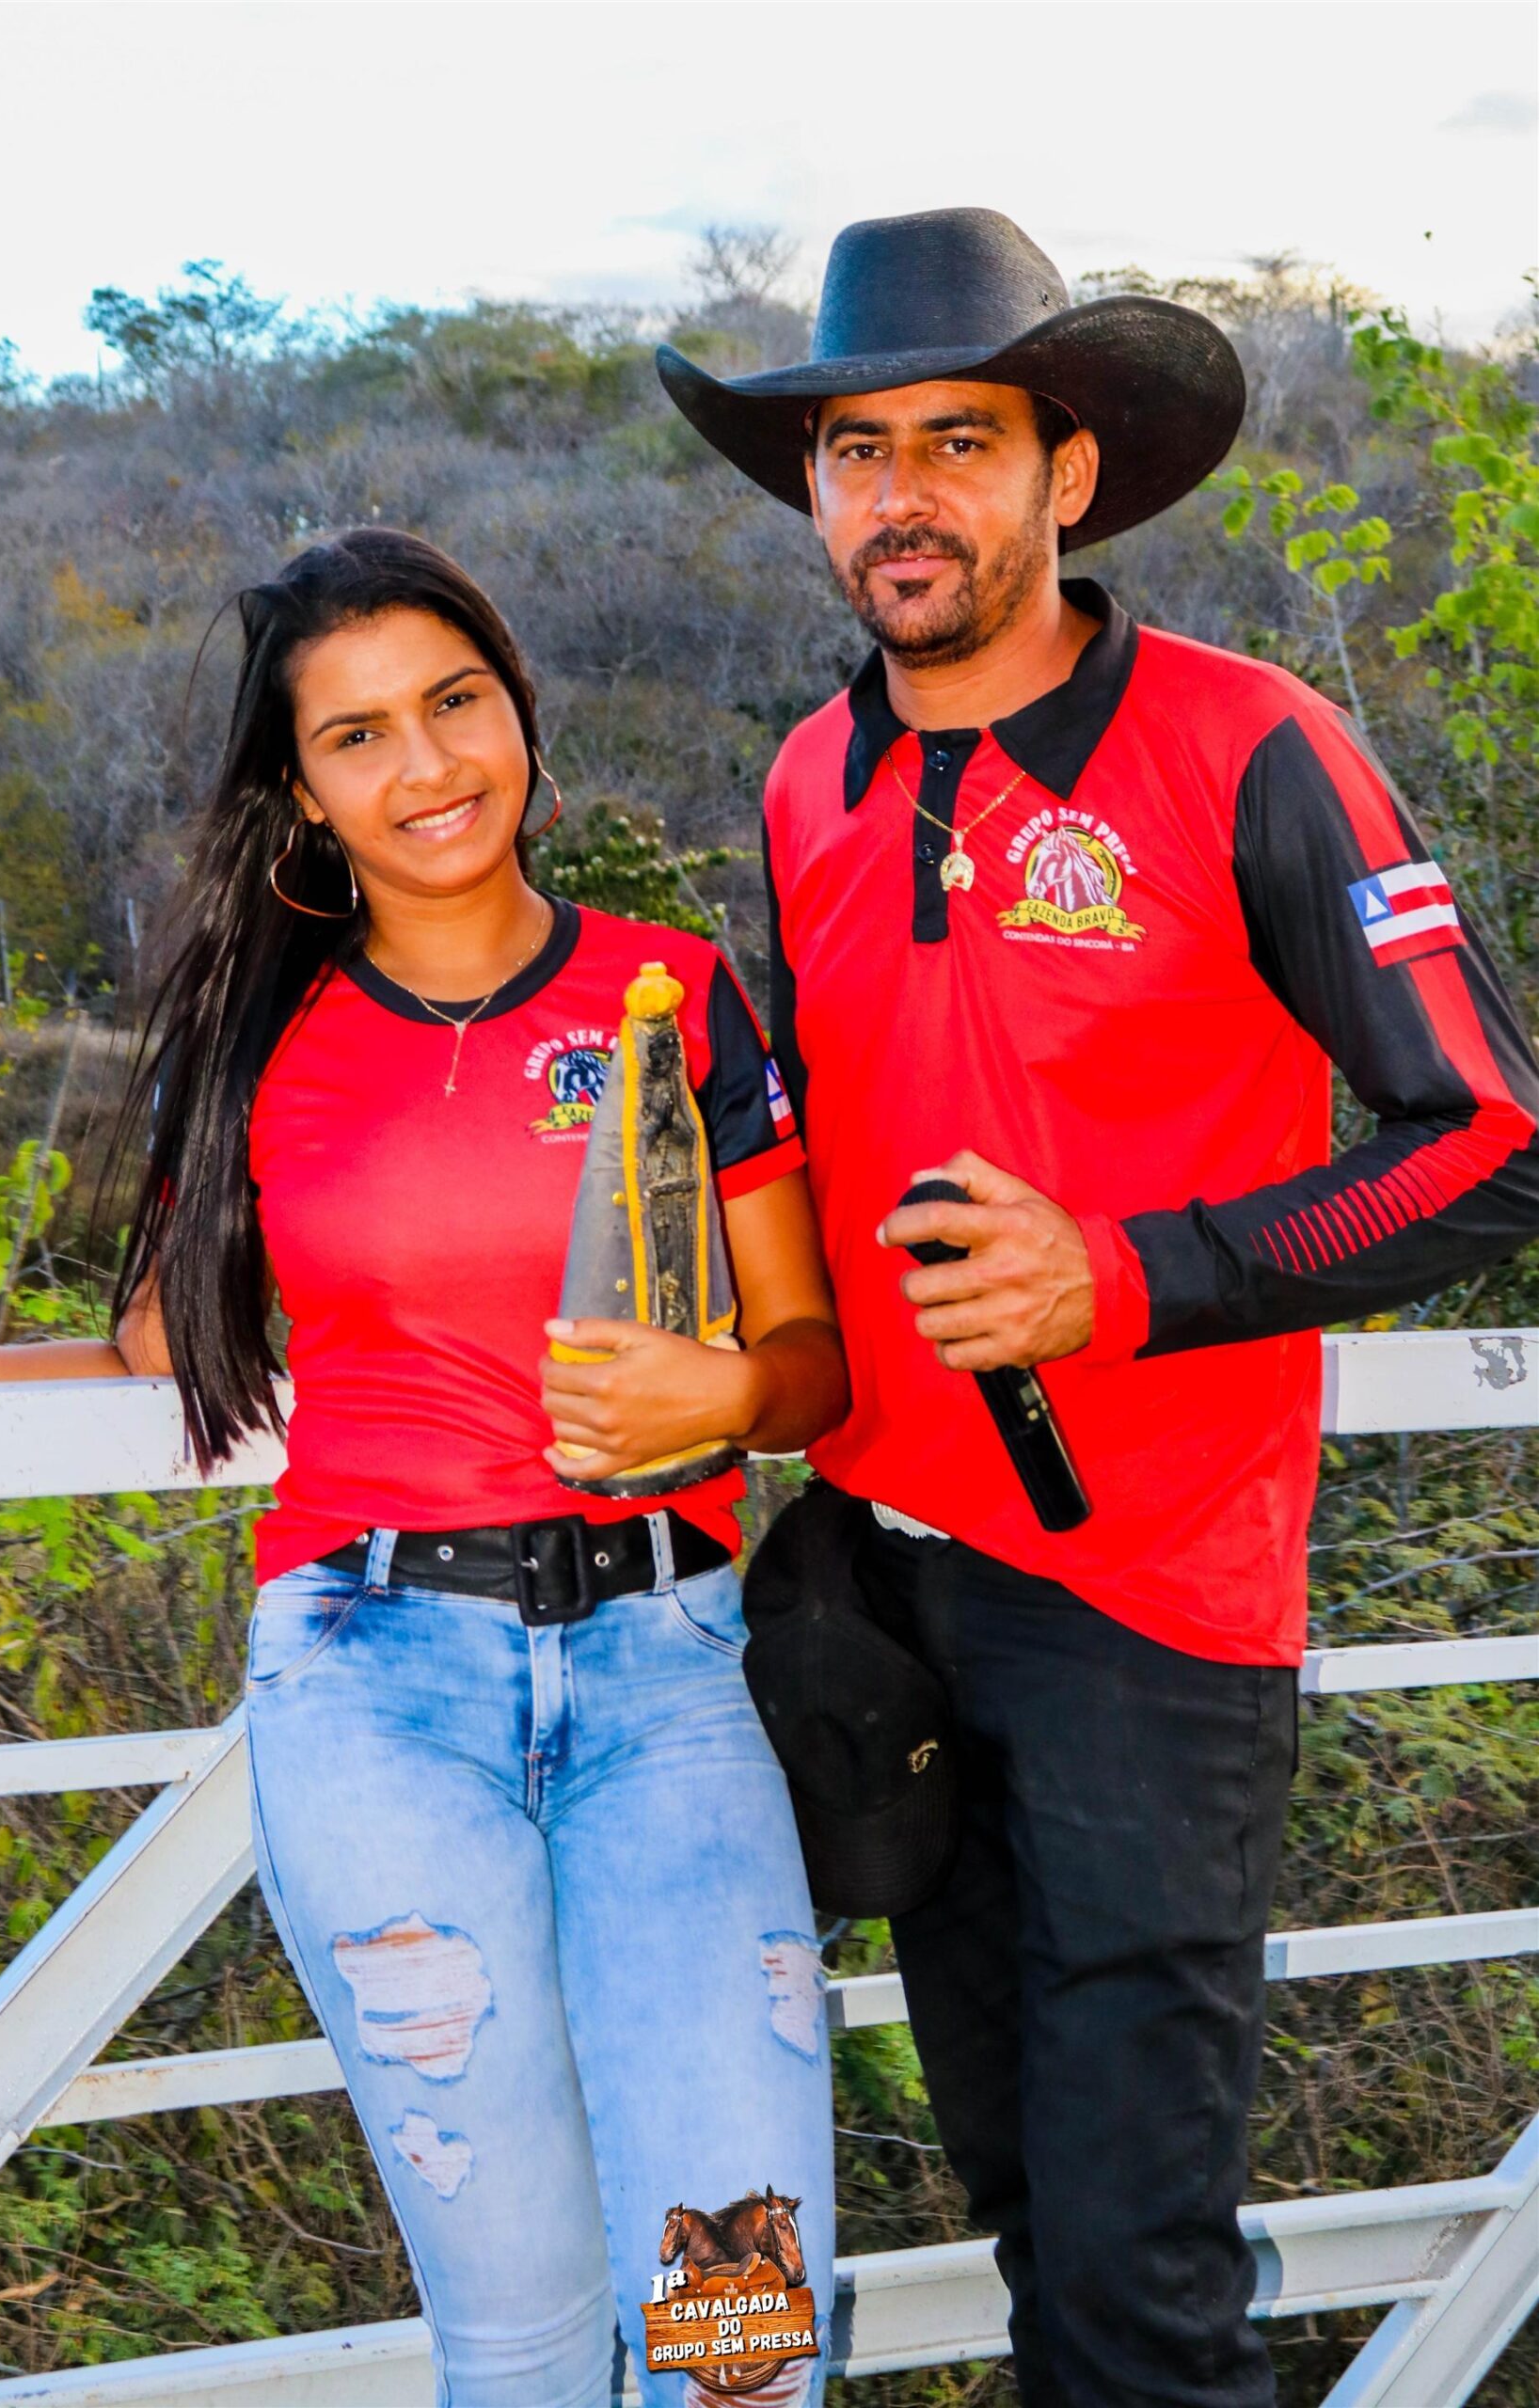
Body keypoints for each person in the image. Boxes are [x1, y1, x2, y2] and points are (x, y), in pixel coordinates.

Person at [657, 208, 1539, 2407]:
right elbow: (813, 1160)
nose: (899, 494)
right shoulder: (803, 775)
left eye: (957, 440)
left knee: (1139, 2281)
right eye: (854, 449)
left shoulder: (1246, 747)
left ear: (1068, 471)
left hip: (1148, 1610)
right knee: (1026, 2217)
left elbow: (1490, 1139)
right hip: (887, 1585)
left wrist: (1125, 1274)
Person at [0, 529, 846, 2408]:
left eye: (454, 703)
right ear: (303, 792)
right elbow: (162, 1350)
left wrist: (728, 1391)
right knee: (518, 2330)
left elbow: (812, 1360)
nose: (425, 766)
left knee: (741, 2338)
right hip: (376, 1689)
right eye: (357, 736)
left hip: (666, 1675)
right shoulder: (259, 1041)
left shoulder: (672, 992)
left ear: (519, 711)